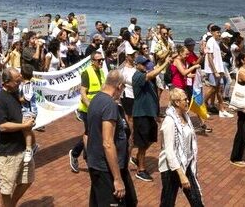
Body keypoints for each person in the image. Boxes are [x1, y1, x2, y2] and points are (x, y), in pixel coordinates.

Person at [85, 69, 136, 207]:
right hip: (106, 169)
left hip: (99, 165)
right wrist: (117, 179)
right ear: (119, 86)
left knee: (131, 201)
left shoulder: (95, 100)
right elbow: (107, 143)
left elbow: (87, 134)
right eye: (123, 87)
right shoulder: (109, 105)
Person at [0, 66, 35, 207]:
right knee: (6, 189)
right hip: (7, 153)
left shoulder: (16, 93)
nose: (19, 83)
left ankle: (12, 204)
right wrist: (24, 126)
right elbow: (3, 126)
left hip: (23, 148)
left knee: (27, 180)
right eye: (16, 81)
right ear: (6, 82)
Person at [159, 87, 204, 207]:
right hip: (171, 168)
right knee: (167, 203)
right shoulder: (169, 121)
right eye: (185, 99)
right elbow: (169, 151)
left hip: (186, 162)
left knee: (197, 201)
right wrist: (181, 175)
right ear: (177, 102)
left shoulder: (185, 116)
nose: (188, 101)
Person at [132, 52, 171, 183]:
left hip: (149, 114)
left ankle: (137, 157)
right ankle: (141, 170)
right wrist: (166, 63)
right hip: (141, 114)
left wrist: (156, 113)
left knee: (150, 139)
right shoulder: (137, 76)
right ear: (136, 65)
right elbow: (152, 73)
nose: (144, 66)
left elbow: (154, 94)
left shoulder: (147, 77)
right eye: (142, 64)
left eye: (145, 64)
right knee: (142, 144)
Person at [70, 50, 106, 173]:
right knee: (90, 133)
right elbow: (83, 93)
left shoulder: (101, 72)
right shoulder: (86, 73)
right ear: (92, 61)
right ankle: (88, 159)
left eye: (102, 60)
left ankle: (76, 153)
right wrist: (91, 107)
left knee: (93, 133)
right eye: (99, 60)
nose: (101, 62)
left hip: (99, 108)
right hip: (88, 109)